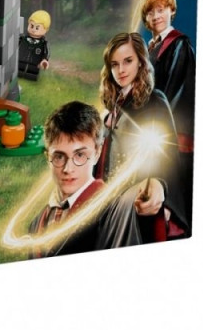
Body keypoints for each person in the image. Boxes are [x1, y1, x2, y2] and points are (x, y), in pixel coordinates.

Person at [97, 32, 189, 241]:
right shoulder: (112, 106)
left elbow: (168, 155)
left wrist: (160, 186)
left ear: (140, 62)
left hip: (139, 201)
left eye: (128, 61)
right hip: (108, 200)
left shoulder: (155, 101)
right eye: (114, 64)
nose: (121, 70)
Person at [29, 101, 139, 256]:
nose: (68, 169)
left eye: (80, 155)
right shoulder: (36, 225)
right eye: (59, 156)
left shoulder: (113, 212)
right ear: (48, 157)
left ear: (97, 153)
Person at [141, 0, 194, 221]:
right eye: (150, 13)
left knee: (168, 183)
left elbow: (176, 89)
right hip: (149, 124)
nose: (156, 17)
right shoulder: (149, 48)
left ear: (171, 11)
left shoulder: (179, 45)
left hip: (169, 127)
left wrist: (158, 123)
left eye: (161, 10)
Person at [18, 10, 51, 80]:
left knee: (32, 74)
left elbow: (46, 52)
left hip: (35, 64)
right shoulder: (22, 38)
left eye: (37, 28)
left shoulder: (44, 43)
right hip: (20, 61)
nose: (33, 30)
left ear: (46, 30)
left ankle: (32, 76)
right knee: (18, 71)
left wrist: (45, 60)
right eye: (32, 26)